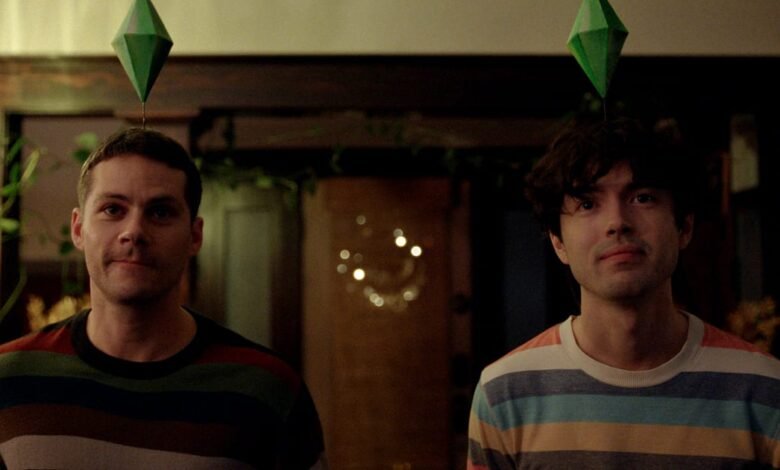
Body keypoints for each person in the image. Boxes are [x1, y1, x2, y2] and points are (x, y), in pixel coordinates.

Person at [0, 128, 326, 469]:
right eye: (113, 209)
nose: (134, 231)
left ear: (194, 236)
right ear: (78, 229)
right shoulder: (9, 379)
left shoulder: (267, 390)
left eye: (160, 212)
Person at [467, 118, 780, 469]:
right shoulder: (505, 394)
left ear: (685, 227)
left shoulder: (764, 389)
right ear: (558, 242)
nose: (617, 222)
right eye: (587, 204)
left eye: (642, 198)